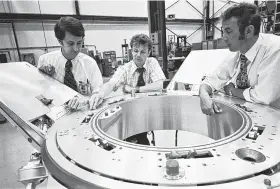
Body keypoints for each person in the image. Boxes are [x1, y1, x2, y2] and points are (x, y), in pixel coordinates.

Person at [199, 2, 280, 116]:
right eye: (223, 31)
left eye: (228, 31)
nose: (224, 38)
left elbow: (263, 96)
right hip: (254, 114)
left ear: (248, 31)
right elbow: (213, 79)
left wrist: (232, 91)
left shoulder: (274, 49)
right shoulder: (239, 53)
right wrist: (203, 94)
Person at [37, 16, 103, 109]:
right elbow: (40, 95)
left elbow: (98, 91)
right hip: (57, 112)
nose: (76, 49)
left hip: (83, 110)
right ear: (60, 41)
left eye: (79, 43)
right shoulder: (45, 61)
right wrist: (46, 80)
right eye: (70, 43)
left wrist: (87, 99)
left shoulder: (90, 63)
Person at [89, 34, 166, 110]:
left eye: (142, 52)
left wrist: (135, 89)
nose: (138, 55)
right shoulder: (125, 69)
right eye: (135, 51)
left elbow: (159, 85)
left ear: (148, 53)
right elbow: (111, 84)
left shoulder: (152, 62)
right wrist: (100, 94)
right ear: (131, 51)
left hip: (151, 106)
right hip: (132, 108)